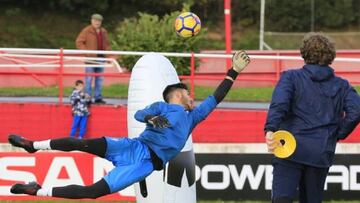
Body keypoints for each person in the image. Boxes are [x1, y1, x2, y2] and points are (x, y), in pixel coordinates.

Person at [8, 50, 250, 199]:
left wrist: (234, 71)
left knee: (93, 192)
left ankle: (37, 190)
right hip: (133, 147)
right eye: (189, 94)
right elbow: (140, 115)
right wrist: (150, 118)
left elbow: (215, 98)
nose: (193, 98)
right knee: (80, 143)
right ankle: (33, 145)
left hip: (146, 164)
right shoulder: (161, 106)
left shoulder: (192, 118)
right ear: (178, 94)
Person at [264, 33, 360, 203]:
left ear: (304, 53)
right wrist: (338, 133)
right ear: (331, 56)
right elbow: (356, 110)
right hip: (321, 151)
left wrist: (270, 128)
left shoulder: (290, 77)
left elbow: (280, 104)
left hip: (289, 149)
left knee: (282, 199)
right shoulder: (342, 85)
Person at [76, 13, 111, 104]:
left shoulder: (103, 31)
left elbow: (107, 45)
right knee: (89, 79)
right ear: (92, 21)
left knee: (99, 79)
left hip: (101, 58)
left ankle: (98, 97)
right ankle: (88, 98)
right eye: (95, 20)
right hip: (90, 59)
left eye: (99, 21)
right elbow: (79, 42)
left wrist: (108, 57)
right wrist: (87, 52)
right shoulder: (87, 30)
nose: (97, 22)